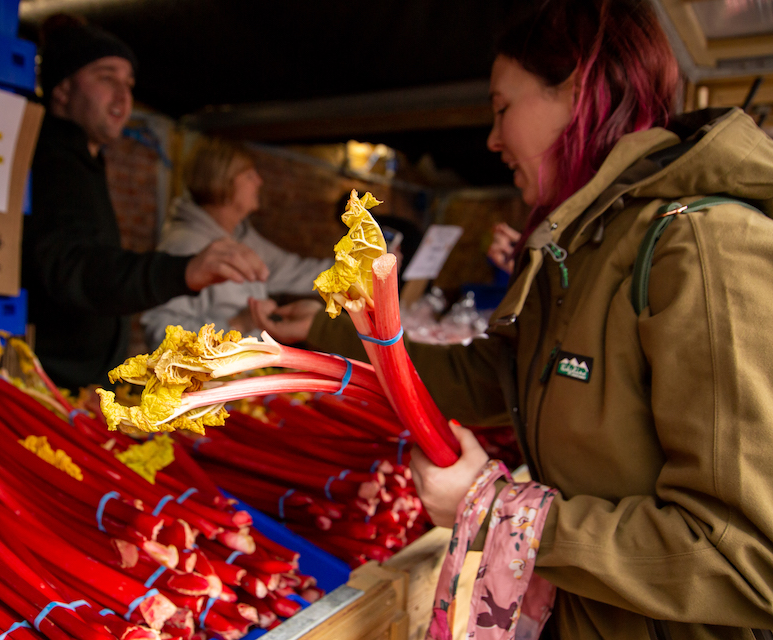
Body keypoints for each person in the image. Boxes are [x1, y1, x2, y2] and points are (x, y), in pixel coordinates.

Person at [253, 0, 773, 637]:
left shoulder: (701, 246)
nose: (493, 139)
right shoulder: (580, 249)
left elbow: (743, 557)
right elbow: (495, 374)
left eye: (503, 108)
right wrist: (328, 331)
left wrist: (499, 513)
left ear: (579, 88)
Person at [22, 17, 268, 391]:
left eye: (129, 84)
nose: (123, 96)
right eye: (107, 78)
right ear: (62, 88)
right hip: (49, 383)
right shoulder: (51, 159)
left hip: (79, 384)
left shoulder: (84, 161)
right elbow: (73, 266)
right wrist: (181, 272)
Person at [139, 138, 331, 349]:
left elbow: (295, 270)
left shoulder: (241, 236)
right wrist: (237, 324)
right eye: (249, 175)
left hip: (243, 374)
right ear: (222, 181)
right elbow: (158, 330)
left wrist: (356, 270)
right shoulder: (184, 244)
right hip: (212, 381)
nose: (259, 181)